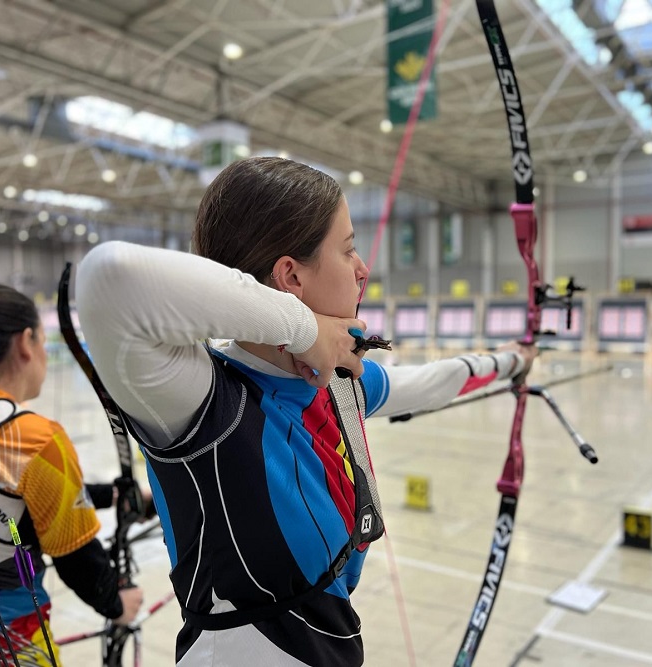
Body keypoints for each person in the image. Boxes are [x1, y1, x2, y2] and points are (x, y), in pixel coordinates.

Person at [75, 156, 537, 667]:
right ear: (291, 275)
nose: (362, 268)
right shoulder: (204, 397)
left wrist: (510, 360)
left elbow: (425, 384)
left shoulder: (336, 382)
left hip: (332, 641)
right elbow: (109, 278)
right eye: (348, 249)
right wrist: (306, 330)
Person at [0, 283, 144, 666]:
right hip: (3, 655)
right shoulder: (30, 438)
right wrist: (118, 604)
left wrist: (113, 496)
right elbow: (76, 559)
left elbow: (3, 495)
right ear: (25, 342)